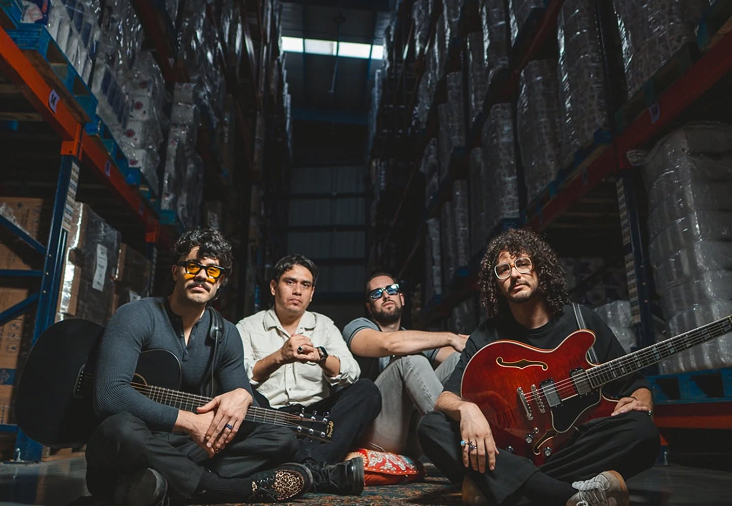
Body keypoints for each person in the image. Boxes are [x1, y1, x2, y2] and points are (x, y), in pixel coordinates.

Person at [418, 228, 660, 506]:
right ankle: (566, 497)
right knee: (432, 427)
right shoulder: (485, 337)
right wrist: (467, 410)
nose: (514, 274)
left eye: (522, 263)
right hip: (507, 448)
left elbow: (634, 383)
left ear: (540, 270)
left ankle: (503, 487)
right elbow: (445, 399)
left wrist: (641, 401)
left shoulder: (582, 321)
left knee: (642, 430)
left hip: (570, 447)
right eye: (503, 269)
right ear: (495, 284)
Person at [86, 229, 312, 506]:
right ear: (176, 271)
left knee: (280, 437)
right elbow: (109, 395)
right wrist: (190, 422)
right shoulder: (135, 316)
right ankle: (220, 488)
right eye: (193, 266)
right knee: (119, 427)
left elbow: (239, 399)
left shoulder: (226, 333)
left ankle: (159, 484)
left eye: (213, 271)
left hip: (187, 448)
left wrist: (242, 395)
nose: (203, 276)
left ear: (220, 282)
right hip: (131, 446)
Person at [237, 254, 381, 496]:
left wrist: (322, 357)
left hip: (317, 422)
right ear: (273, 287)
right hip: (271, 418)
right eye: (290, 282)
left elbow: (352, 372)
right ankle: (319, 472)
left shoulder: (324, 326)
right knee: (247, 397)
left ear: (312, 293)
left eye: (305, 285)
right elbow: (238, 376)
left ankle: (302, 468)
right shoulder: (247, 327)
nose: (297, 291)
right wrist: (279, 356)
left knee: (367, 391)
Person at [341, 272, 467, 456]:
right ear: (369, 307)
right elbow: (389, 343)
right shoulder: (356, 328)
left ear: (402, 298)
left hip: (412, 435)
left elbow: (460, 357)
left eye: (391, 290)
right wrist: (450, 337)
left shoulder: (414, 340)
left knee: (458, 360)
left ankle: (481, 432)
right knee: (410, 360)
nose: (386, 295)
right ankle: (459, 444)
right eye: (377, 293)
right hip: (374, 433)